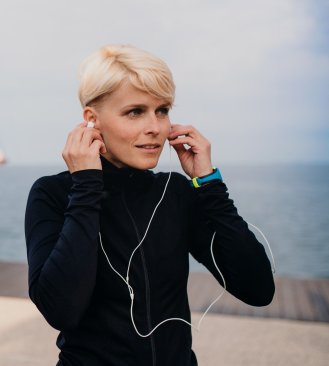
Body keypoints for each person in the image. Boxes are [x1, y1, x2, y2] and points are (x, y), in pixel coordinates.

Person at [24, 44, 275, 366]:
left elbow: (257, 290)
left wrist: (210, 186)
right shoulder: (54, 193)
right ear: (92, 120)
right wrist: (86, 188)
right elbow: (61, 310)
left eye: (163, 109)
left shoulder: (176, 192)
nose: (156, 127)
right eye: (135, 111)